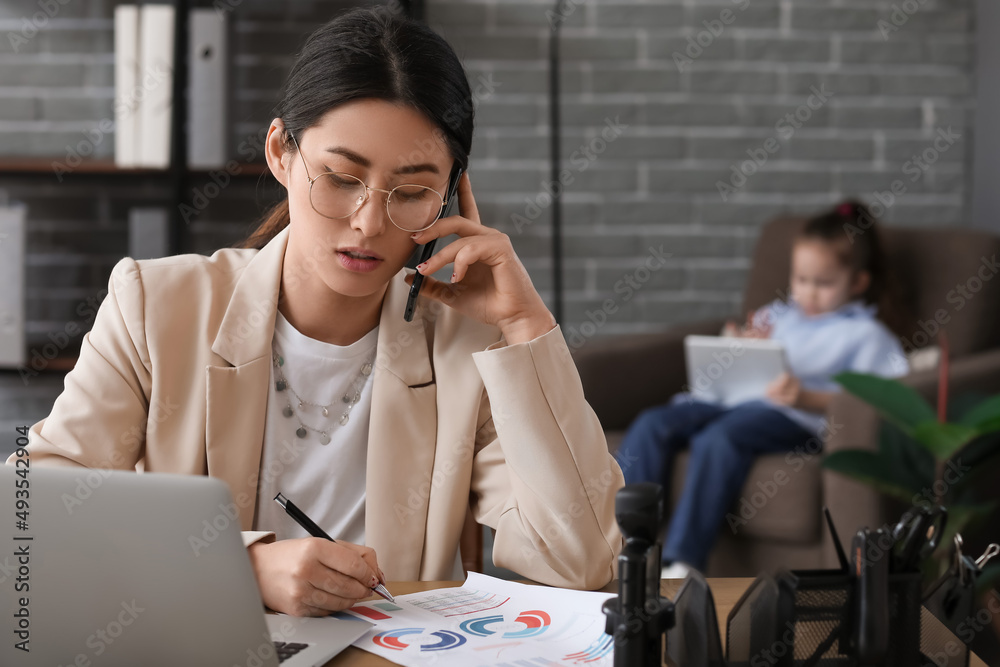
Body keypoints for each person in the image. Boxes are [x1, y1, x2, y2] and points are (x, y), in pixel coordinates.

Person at [9, 8, 623, 616]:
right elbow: (29, 517)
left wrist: (526, 328)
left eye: (410, 193)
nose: (369, 223)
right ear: (281, 152)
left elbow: (582, 561)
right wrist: (237, 567)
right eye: (339, 176)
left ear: (450, 195)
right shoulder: (157, 305)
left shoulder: (469, 346)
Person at [614, 200, 908, 578]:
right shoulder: (780, 315)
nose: (809, 293)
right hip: (731, 399)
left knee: (719, 439)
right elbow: (738, 350)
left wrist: (807, 397)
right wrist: (741, 344)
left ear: (858, 282)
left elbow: (882, 400)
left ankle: (683, 561)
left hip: (792, 416)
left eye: (823, 283)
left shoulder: (866, 335)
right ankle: (624, 544)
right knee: (653, 422)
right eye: (801, 280)